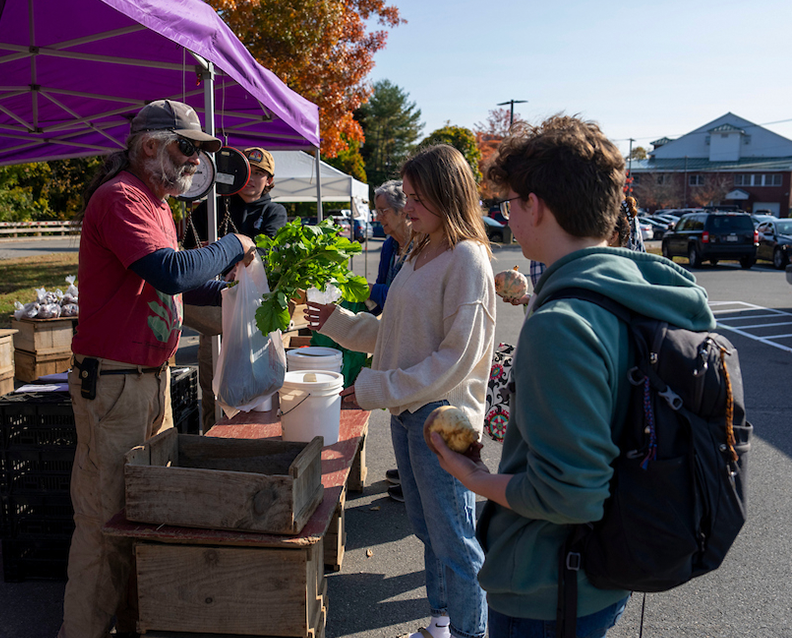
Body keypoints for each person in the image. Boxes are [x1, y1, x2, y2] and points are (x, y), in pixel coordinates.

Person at [429, 115, 716, 638]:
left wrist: (470, 476)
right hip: (606, 566)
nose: (507, 218)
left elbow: (569, 496)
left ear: (534, 205)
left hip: (549, 585)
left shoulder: (561, 324)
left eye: (509, 204)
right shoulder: (635, 292)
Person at [60, 99, 255, 638]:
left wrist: (241, 292)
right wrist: (232, 245)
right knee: (105, 522)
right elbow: (169, 272)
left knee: (145, 506)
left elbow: (179, 282)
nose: (195, 162)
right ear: (150, 146)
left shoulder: (158, 205)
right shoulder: (119, 198)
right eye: (187, 148)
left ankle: (129, 622)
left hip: (149, 379)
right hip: (115, 386)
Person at [305, 144, 494, 638]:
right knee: (430, 532)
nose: (405, 208)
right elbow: (395, 331)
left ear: (447, 196)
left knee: (455, 539)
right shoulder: (420, 249)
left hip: (447, 418)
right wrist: (339, 323)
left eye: (416, 198)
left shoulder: (467, 258)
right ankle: (441, 623)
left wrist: (374, 386)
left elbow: (452, 361)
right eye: (406, 197)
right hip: (411, 412)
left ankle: (470, 632)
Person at [182, 146, 287, 429]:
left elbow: (268, 251)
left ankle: (254, 438)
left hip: (255, 316)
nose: (252, 179)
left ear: (270, 180)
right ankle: (210, 437)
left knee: (256, 387)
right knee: (211, 383)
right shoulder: (213, 207)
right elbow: (188, 249)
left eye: (261, 174)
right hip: (213, 311)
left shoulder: (274, 212)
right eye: (248, 172)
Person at [366, 179, 413, 501]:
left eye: (383, 211)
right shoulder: (388, 246)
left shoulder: (419, 247)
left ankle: (412, 476)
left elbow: (398, 296)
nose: (378, 218)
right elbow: (385, 298)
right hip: (391, 330)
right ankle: (407, 468)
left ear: (402, 211)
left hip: (411, 335)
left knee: (409, 397)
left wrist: (364, 289)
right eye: (377, 211)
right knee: (397, 408)